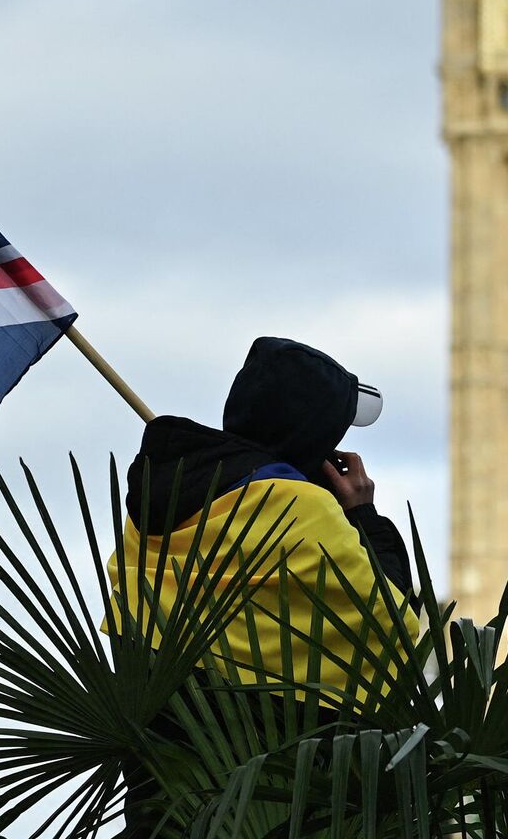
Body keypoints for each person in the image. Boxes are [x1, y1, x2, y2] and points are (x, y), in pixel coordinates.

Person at [107, 336, 419, 832]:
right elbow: (394, 623)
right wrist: (363, 515)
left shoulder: (148, 516)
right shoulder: (301, 508)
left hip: (166, 803)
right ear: (315, 438)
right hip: (279, 796)